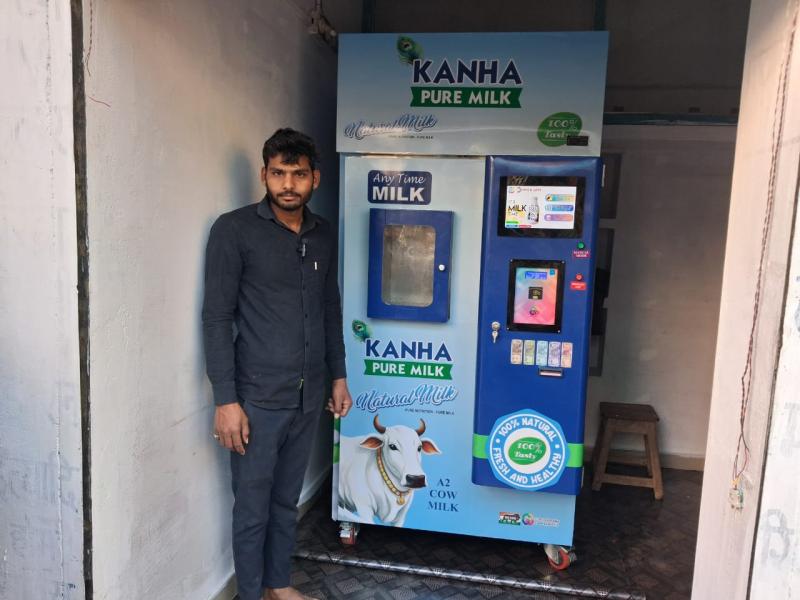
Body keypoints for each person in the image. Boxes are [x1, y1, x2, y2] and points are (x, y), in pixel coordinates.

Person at [202, 128, 352, 600]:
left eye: (298, 174)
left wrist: (339, 376)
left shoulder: (322, 234)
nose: (288, 184)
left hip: (308, 396)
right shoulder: (234, 230)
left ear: (315, 178)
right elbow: (216, 317)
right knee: (252, 507)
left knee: (286, 500)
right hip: (256, 398)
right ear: (264, 174)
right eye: (279, 173)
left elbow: (330, 307)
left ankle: (278, 585)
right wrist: (226, 401)